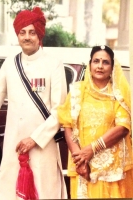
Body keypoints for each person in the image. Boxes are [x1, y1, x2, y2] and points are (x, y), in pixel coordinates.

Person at [0, 7, 67, 199]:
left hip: (43, 145)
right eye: (22, 32)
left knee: (44, 191)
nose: (27, 37)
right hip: (14, 144)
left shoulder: (54, 64)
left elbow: (60, 111)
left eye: (32, 32)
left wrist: (34, 139)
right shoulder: (9, 64)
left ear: (39, 35)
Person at [57, 45, 133, 198]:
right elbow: (68, 125)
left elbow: (123, 127)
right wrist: (80, 159)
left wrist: (91, 149)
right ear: (90, 64)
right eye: (96, 61)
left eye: (105, 62)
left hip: (112, 170)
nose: (100, 66)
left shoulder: (118, 94)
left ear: (112, 67)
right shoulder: (77, 91)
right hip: (83, 167)